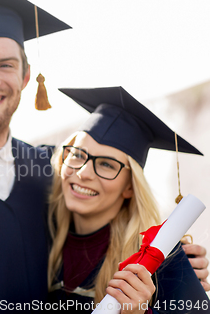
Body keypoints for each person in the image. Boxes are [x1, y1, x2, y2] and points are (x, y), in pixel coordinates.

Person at [0, 0, 210, 313]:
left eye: (5, 65)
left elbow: (105, 231)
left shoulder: (48, 169)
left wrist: (172, 266)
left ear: (25, 77)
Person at [47, 86, 209, 313]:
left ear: (130, 188)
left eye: (106, 164)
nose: (83, 172)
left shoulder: (160, 260)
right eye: (77, 154)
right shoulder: (42, 240)